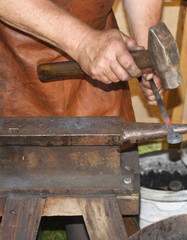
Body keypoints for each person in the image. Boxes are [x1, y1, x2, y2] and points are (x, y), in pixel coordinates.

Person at [0, 0, 163, 238]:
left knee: (104, 219)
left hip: (99, 74)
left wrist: (147, 53)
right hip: (11, 71)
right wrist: (82, 41)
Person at [0, 0, 164, 118]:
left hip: (102, 66)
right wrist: (82, 42)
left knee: (109, 156)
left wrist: (146, 55)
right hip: (14, 68)